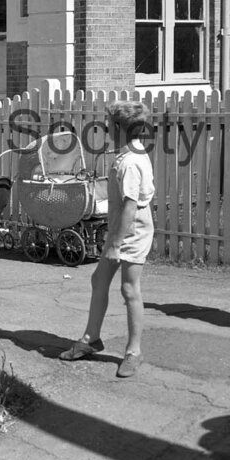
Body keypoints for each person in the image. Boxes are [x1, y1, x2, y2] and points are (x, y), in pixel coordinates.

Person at [60, 101, 155, 378]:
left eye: (108, 123)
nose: (105, 128)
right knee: (99, 280)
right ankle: (92, 339)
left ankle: (133, 351)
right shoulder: (128, 154)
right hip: (121, 231)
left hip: (132, 233)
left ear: (118, 127)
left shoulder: (131, 162)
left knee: (129, 289)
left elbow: (130, 205)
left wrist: (115, 244)